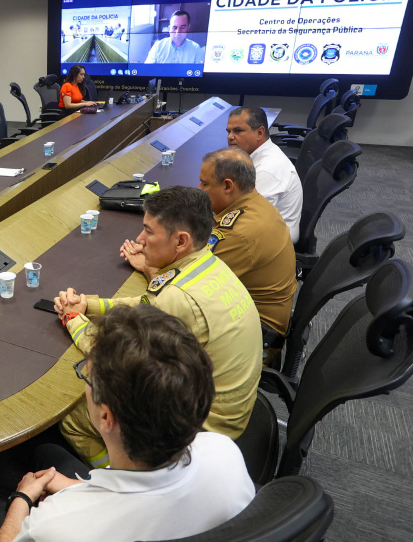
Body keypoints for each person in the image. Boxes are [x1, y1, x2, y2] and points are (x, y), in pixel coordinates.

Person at [0, 306, 255, 542]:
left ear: (106, 417)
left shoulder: (58, 527)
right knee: (48, 452)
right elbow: (146, 494)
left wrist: (22, 499)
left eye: (86, 375)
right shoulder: (225, 453)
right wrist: (79, 489)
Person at [53, 186, 262, 468]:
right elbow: (144, 306)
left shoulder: (182, 299)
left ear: (180, 241)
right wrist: (87, 305)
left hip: (201, 431)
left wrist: (71, 319)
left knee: (73, 412)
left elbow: (116, 354)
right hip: (229, 410)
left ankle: (120, 478)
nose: (140, 239)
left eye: (149, 231)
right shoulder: (206, 266)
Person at [198, 147, 297, 363]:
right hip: (253, 316)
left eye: (204, 184)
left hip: (256, 336)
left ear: (227, 186)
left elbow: (188, 285)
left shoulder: (241, 233)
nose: (199, 188)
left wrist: (151, 266)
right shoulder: (254, 202)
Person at [226, 107, 303, 242]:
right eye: (229, 131)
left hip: (275, 239)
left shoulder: (267, 170)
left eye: (238, 131)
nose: (230, 137)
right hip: (263, 227)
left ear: (260, 132)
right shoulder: (255, 156)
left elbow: (248, 221)